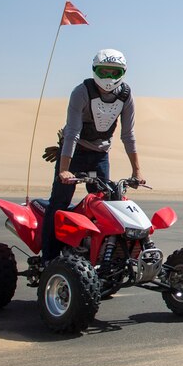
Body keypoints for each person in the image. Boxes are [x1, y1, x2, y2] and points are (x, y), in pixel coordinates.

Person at [42, 49, 144, 262]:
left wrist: (137, 172)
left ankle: (100, 261)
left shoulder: (126, 95)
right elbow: (72, 132)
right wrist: (64, 169)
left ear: (123, 73)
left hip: (100, 156)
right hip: (74, 153)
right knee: (59, 203)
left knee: (104, 206)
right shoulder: (81, 92)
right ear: (94, 70)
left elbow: (128, 135)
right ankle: (48, 260)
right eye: (103, 71)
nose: (108, 77)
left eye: (114, 73)